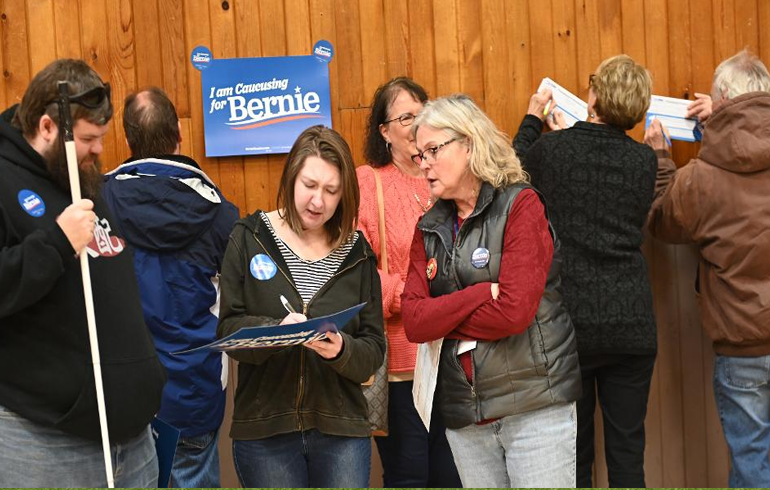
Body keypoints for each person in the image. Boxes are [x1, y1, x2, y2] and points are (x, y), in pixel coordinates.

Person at [402, 94, 581, 488]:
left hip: (534, 407)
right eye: (419, 155)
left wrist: (443, 316)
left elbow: (515, 313)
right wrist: (481, 294)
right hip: (466, 416)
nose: (424, 163)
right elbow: (414, 322)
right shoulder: (428, 228)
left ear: (469, 144)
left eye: (433, 150)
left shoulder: (520, 205)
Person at [0, 59, 165, 487]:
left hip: (131, 440)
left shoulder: (82, 177)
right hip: (46, 443)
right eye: (89, 139)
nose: (98, 151)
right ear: (48, 128)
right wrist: (55, 242)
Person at [513, 54, 658, 488]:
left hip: (570, 326)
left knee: (573, 456)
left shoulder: (551, 153)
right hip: (632, 324)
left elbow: (510, 173)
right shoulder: (645, 162)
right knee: (628, 452)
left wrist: (533, 117)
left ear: (593, 95)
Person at [217, 125, 386, 488]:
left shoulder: (358, 253)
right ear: (291, 176)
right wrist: (275, 334)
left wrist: (341, 348)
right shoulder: (249, 238)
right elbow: (228, 332)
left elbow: (373, 350)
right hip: (265, 433)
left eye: (331, 191)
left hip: (341, 432)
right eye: (310, 186)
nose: (318, 202)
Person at [101, 87, 239, 488]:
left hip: (122, 393)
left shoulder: (97, 202)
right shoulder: (220, 213)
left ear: (127, 140)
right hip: (192, 390)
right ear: (179, 133)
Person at [644, 49, 770, 488]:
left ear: (720, 99)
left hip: (743, 344)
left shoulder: (701, 177)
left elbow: (661, 222)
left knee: (752, 460)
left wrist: (662, 161)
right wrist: (721, 117)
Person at [356, 76, 461, 488]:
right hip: (401, 361)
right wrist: (417, 300)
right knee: (409, 475)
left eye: (423, 115)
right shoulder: (370, 183)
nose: (417, 126)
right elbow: (358, 273)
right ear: (384, 131)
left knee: (453, 475)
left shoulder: (449, 178)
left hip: (452, 356)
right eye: (405, 118)